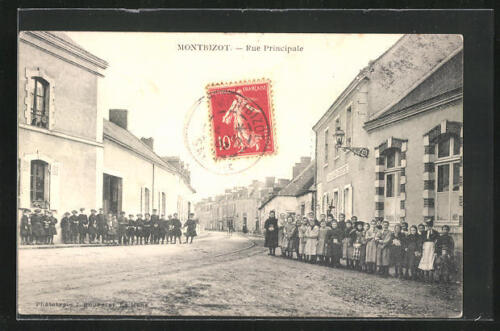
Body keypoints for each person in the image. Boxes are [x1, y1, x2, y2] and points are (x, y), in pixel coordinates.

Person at [418, 218, 439, 282]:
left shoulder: (436, 233)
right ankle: (425, 277)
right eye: (427, 226)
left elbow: (437, 242)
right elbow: (421, 241)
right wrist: (420, 249)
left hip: (432, 248)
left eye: (430, 226)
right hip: (425, 248)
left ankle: (431, 277)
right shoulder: (423, 232)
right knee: (425, 260)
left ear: (432, 226)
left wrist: (436, 251)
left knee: (431, 260)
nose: (429, 227)